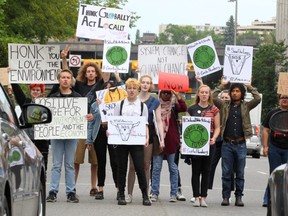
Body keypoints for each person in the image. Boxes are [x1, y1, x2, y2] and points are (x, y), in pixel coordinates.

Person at [59, 46, 104, 197]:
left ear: (96, 73)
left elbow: (109, 72)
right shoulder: (78, 85)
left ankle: (93, 186)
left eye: (93, 71)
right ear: (84, 73)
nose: (90, 73)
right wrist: (64, 59)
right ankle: (73, 186)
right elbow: (68, 76)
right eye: (88, 71)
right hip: (79, 125)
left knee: (95, 161)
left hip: (95, 126)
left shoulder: (101, 86)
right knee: (76, 159)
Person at [212, 78, 261, 207]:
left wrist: (250, 86)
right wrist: (222, 85)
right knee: (226, 172)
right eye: (233, 91)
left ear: (242, 93)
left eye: (237, 91)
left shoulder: (246, 105)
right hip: (227, 143)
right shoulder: (224, 105)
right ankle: (226, 197)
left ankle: (239, 196)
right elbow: (213, 96)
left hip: (240, 144)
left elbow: (257, 99)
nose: (234, 93)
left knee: (240, 172)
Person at [112, 78, 151, 206]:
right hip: (122, 141)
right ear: (126, 89)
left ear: (138, 90)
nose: (132, 90)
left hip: (136, 140)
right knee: (121, 167)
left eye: (134, 88)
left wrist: (146, 137)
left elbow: (145, 123)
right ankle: (121, 194)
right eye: (129, 88)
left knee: (140, 167)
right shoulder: (120, 104)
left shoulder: (142, 106)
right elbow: (114, 122)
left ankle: (145, 195)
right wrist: (111, 132)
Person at [126, 74, 164, 203]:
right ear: (139, 84)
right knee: (132, 166)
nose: (145, 85)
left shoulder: (155, 102)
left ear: (151, 85)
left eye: (148, 82)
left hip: (149, 135)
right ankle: (129, 194)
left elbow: (159, 121)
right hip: (133, 135)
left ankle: (145, 193)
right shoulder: (132, 99)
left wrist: (162, 139)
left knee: (146, 165)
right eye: (143, 82)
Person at [46, 69, 82, 203]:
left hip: (72, 134)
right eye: (63, 77)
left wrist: (88, 116)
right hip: (56, 134)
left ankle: (71, 191)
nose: (65, 80)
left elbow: (83, 115)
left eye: (68, 77)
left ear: (71, 80)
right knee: (56, 164)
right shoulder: (52, 98)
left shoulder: (78, 98)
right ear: (59, 80)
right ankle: (53, 191)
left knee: (69, 164)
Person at [186, 85, 220, 207]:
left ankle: (203, 197)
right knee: (195, 170)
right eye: (202, 92)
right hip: (195, 143)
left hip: (209, 143)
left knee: (207, 170)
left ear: (209, 95)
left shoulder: (214, 109)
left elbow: (217, 127)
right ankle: (196, 197)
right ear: (198, 94)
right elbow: (187, 128)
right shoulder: (191, 109)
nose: (204, 94)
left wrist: (214, 138)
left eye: (206, 92)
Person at [150, 89, 187, 202]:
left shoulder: (174, 106)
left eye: (168, 93)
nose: (165, 94)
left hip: (172, 141)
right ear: (159, 94)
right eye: (163, 93)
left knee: (173, 168)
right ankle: (154, 192)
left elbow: (184, 107)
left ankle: (174, 192)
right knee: (156, 168)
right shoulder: (155, 105)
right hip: (158, 141)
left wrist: (177, 94)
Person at [93, 79, 125, 200]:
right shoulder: (96, 103)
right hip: (101, 132)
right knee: (101, 162)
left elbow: (124, 89)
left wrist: (117, 77)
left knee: (115, 162)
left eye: (110, 88)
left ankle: (118, 189)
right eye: (105, 88)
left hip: (114, 132)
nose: (108, 90)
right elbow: (92, 119)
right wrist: (98, 105)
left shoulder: (120, 103)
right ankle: (100, 189)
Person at [10, 78, 49, 172]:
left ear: (42, 91)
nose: (35, 92)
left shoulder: (47, 103)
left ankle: (41, 181)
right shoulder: (25, 101)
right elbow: (17, 91)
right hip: (27, 138)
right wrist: (13, 76)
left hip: (42, 138)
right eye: (33, 90)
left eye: (38, 90)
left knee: (42, 165)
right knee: (27, 164)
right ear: (30, 91)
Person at [261, 94, 288, 207]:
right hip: (274, 148)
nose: (285, 100)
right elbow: (266, 131)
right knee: (274, 173)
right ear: (279, 100)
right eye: (282, 98)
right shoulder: (272, 113)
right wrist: (266, 146)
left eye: (287, 98)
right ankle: (268, 198)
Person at [208, 90, 233, 190]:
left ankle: (228, 192)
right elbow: (212, 96)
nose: (224, 100)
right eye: (222, 98)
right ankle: (205, 190)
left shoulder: (233, 109)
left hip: (227, 141)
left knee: (228, 168)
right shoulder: (213, 109)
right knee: (210, 166)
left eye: (226, 98)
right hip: (217, 141)